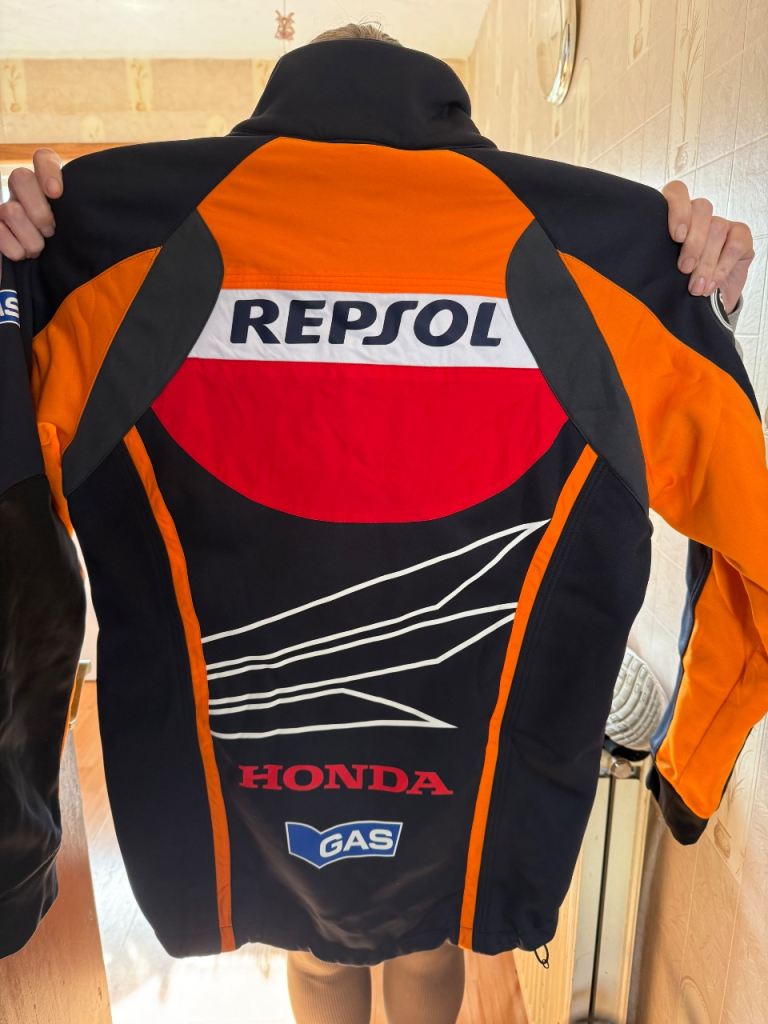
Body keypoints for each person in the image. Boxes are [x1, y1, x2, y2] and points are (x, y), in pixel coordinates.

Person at [0, 22, 762, 1024]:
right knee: (434, 934)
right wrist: (689, 770)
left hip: (232, 790)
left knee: (309, 944)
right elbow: (752, 547)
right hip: (482, 786)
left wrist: (17, 834)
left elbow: (14, 549)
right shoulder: (600, 261)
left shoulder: (112, 254)